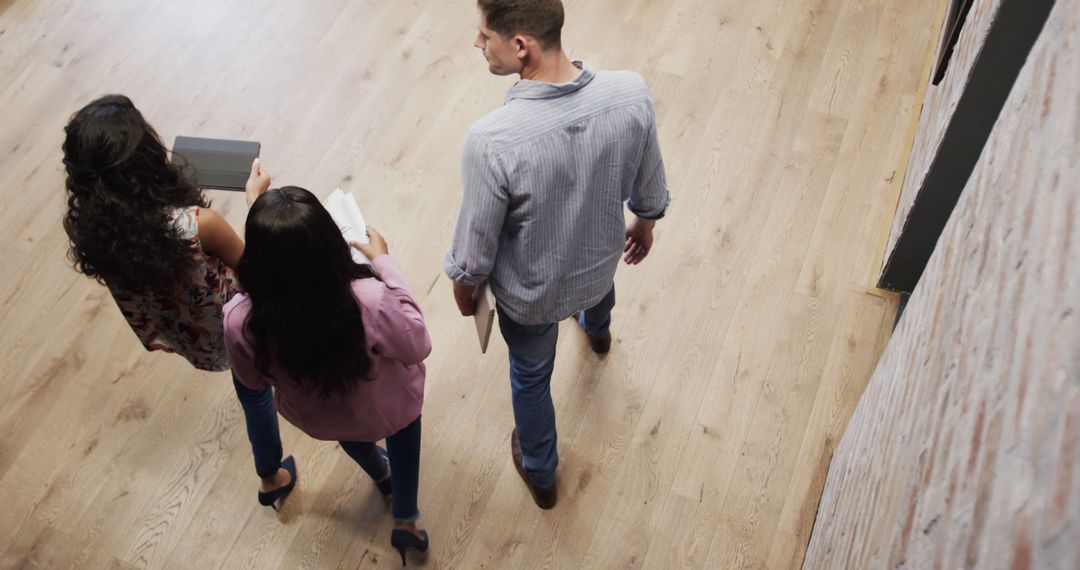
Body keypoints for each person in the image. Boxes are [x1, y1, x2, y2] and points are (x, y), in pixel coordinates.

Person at [444, 0, 671, 509]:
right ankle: (598, 332)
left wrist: (464, 290)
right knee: (600, 289)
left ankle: (541, 473)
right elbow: (650, 189)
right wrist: (645, 225)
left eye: (484, 35)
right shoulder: (630, 93)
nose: (477, 44)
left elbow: (474, 254)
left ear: (520, 45)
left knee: (530, 377)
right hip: (599, 262)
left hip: (532, 298)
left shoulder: (491, 141)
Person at [61, 94, 296, 509]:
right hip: (240, 328)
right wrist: (256, 201)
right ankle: (270, 474)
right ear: (147, 159)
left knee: (251, 389)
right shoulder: (198, 225)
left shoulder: (92, 232)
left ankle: (271, 478)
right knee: (258, 392)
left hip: (195, 338)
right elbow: (256, 272)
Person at [223, 187, 430, 565]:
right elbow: (417, 344)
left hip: (318, 416)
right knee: (405, 445)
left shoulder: (240, 318)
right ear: (330, 244)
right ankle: (406, 520)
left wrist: (257, 208)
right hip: (388, 408)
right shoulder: (368, 298)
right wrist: (386, 263)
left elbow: (251, 382)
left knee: (353, 437)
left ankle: (380, 475)